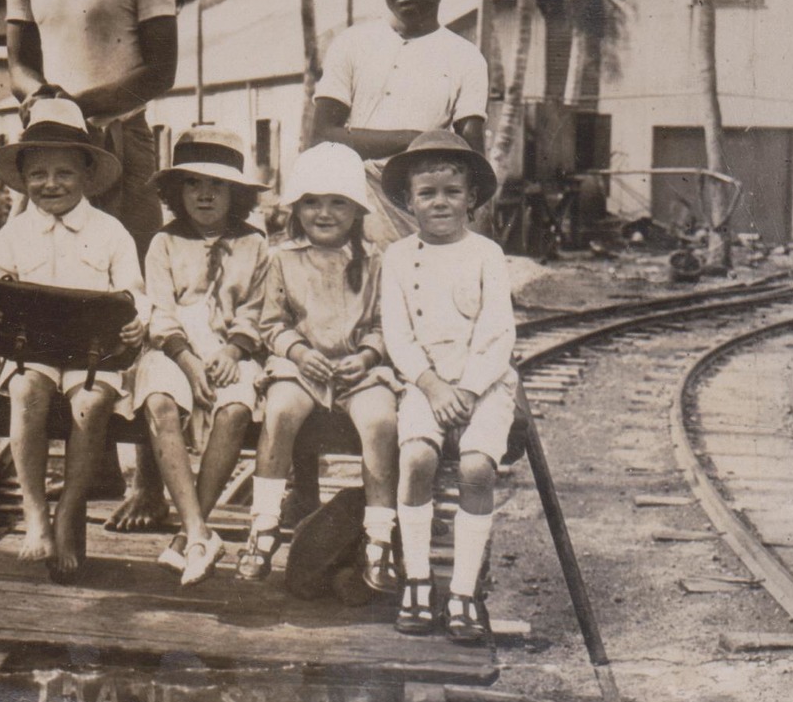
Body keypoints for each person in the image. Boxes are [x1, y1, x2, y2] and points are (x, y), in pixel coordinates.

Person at [6, 0, 179, 533]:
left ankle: (149, 485)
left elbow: (159, 70)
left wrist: (82, 107)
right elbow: (18, 60)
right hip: (51, 146)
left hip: (124, 144)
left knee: (128, 305)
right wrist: (43, 104)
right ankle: (92, 456)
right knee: (48, 294)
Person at [0, 100, 148, 583]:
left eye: (65, 173)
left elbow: (135, 291)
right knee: (26, 391)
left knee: (91, 404)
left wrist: (138, 321)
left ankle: (68, 513)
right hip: (33, 350)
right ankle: (34, 511)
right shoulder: (13, 233)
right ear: (23, 179)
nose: (52, 184)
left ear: (87, 176)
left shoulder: (111, 232)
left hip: (94, 353)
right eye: (39, 175)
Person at [239, 143, 402, 590]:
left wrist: (366, 356)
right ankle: (265, 523)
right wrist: (297, 352)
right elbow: (272, 322)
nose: (323, 213)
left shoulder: (375, 262)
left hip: (358, 370)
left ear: (356, 210)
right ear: (295, 208)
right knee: (280, 410)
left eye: (337, 203)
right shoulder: (283, 258)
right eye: (311, 202)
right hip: (302, 369)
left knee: (381, 421)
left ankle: (378, 540)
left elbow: (384, 324)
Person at [378, 129, 516, 644]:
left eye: (451, 193)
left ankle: (462, 591)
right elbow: (398, 335)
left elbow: (498, 331)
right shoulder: (396, 258)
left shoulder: (486, 255)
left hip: (483, 384)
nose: (440, 203)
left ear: (471, 199)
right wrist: (434, 387)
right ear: (409, 202)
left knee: (478, 468)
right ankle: (417, 580)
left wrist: (472, 388)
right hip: (426, 383)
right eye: (427, 193)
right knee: (417, 459)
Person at [134, 128, 270, 587]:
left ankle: (188, 535)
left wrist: (235, 349)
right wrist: (188, 362)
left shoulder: (255, 244)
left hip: (230, 349)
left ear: (237, 194)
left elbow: (257, 307)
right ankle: (197, 533)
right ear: (177, 191)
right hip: (173, 349)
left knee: (235, 407)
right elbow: (159, 311)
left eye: (218, 186)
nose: (205, 195)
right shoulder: (163, 243)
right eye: (193, 184)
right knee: (158, 400)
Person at [312, 0, 490, 248]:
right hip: (355, 201)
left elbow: (472, 158)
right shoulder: (352, 43)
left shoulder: (465, 57)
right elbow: (321, 136)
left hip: (423, 210)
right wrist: (413, 139)